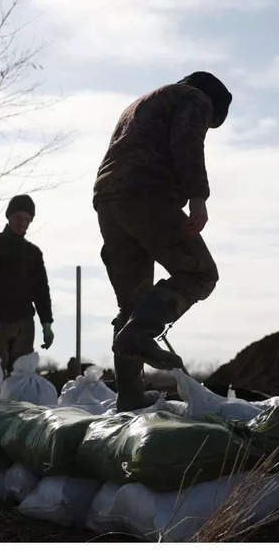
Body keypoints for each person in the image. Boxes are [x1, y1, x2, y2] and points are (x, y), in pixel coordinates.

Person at [93, 71, 231, 411]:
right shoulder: (194, 98)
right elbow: (187, 142)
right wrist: (198, 196)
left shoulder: (139, 106)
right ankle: (141, 334)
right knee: (200, 273)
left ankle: (129, 396)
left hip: (109, 200)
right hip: (147, 194)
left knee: (132, 302)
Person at [0, 194, 54, 372]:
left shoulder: (33, 253)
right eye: (19, 217)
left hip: (23, 325)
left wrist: (46, 322)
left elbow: (41, 290)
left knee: (22, 376)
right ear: (9, 216)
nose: (23, 222)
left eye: (27, 219)